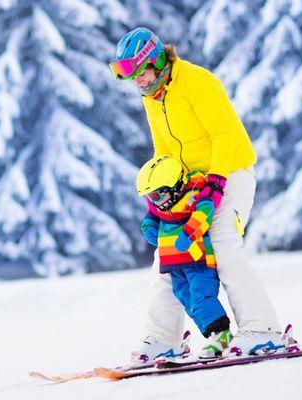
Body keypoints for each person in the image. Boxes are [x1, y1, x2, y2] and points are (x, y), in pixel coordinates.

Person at [109, 27, 283, 361]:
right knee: (167, 256)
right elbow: (163, 151)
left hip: (230, 174)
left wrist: (217, 181)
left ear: (157, 62)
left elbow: (225, 135)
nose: (137, 82)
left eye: (139, 73)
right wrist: (161, 197)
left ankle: (263, 330)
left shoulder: (197, 82)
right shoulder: (152, 99)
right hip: (188, 188)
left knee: (223, 245)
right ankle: (163, 339)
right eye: (128, 76)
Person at [136, 156, 235, 360]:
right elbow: (151, 215)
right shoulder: (161, 205)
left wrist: (189, 233)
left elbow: (204, 212)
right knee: (187, 299)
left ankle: (221, 334)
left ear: (171, 188)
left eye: (154, 195)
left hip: (197, 262)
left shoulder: (192, 196)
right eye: (148, 196)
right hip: (175, 265)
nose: (152, 201)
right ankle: (213, 335)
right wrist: (148, 226)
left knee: (201, 297)